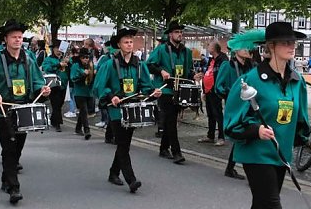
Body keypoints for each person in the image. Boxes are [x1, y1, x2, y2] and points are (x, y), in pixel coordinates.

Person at [223, 22, 311, 209]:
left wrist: (303, 138)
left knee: (261, 208)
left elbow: (300, 120)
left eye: (293, 42)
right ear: (270, 47)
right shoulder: (250, 81)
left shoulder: (296, 81)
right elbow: (231, 124)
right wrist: (255, 130)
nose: (291, 46)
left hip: (279, 155)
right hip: (256, 155)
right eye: (286, 42)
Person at [0, 19, 49, 205]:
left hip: (23, 108)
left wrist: (42, 89)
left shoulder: (29, 59)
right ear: (6, 39)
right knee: (9, 145)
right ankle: (14, 187)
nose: (18, 40)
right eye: (14, 37)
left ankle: (5, 178)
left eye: (20, 37)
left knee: (18, 146)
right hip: (3, 109)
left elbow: (37, 80)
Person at [93, 28, 161, 192]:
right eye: (126, 42)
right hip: (116, 110)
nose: (129, 44)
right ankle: (131, 180)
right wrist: (111, 97)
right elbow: (99, 86)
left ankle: (113, 172)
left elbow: (145, 86)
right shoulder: (109, 64)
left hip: (133, 110)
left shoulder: (139, 65)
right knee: (123, 143)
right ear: (119, 45)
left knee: (124, 144)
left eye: (131, 42)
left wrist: (153, 93)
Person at [148, 21, 194, 164]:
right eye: (176, 32)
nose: (179, 34)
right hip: (165, 90)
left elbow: (189, 71)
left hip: (180, 89)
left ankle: (163, 148)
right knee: (171, 120)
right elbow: (149, 64)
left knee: (170, 119)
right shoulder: (161, 49)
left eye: (181, 32)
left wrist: (194, 77)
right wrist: (161, 71)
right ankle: (177, 152)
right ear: (170, 34)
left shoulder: (187, 52)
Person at [216, 34, 261, 180]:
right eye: (243, 47)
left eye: (248, 47)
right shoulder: (227, 66)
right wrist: (231, 97)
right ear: (236, 51)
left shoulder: (252, 66)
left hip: (249, 105)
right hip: (235, 107)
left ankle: (234, 168)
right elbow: (219, 87)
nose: (247, 50)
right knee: (241, 134)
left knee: (246, 135)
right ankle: (240, 170)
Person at [197, 40, 228, 146]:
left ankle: (221, 137)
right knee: (210, 113)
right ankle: (210, 135)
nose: (208, 47)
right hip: (209, 90)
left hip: (216, 90)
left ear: (215, 48)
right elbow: (209, 74)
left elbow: (222, 75)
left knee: (218, 113)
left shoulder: (222, 60)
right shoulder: (211, 60)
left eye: (209, 45)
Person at [41, 41, 70, 132]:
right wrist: (58, 65)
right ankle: (57, 124)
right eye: (56, 48)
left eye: (59, 48)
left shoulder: (64, 58)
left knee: (60, 103)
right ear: (53, 49)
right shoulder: (49, 59)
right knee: (56, 104)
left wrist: (69, 63)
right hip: (53, 85)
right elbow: (46, 68)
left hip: (63, 85)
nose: (58, 50)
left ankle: (53, 120)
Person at [69, 47, 95, 139]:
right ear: (80, 58)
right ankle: (87, 130)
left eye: (87, 57)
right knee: (83, 110)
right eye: (83, 57)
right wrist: (83, 74)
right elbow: (73, 78)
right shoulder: (76, 66)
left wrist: (94, 74)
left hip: (89, 92)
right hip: (79, 92)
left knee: (84, 111)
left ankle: (78, 128)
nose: (85, 59)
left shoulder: (91, 66)